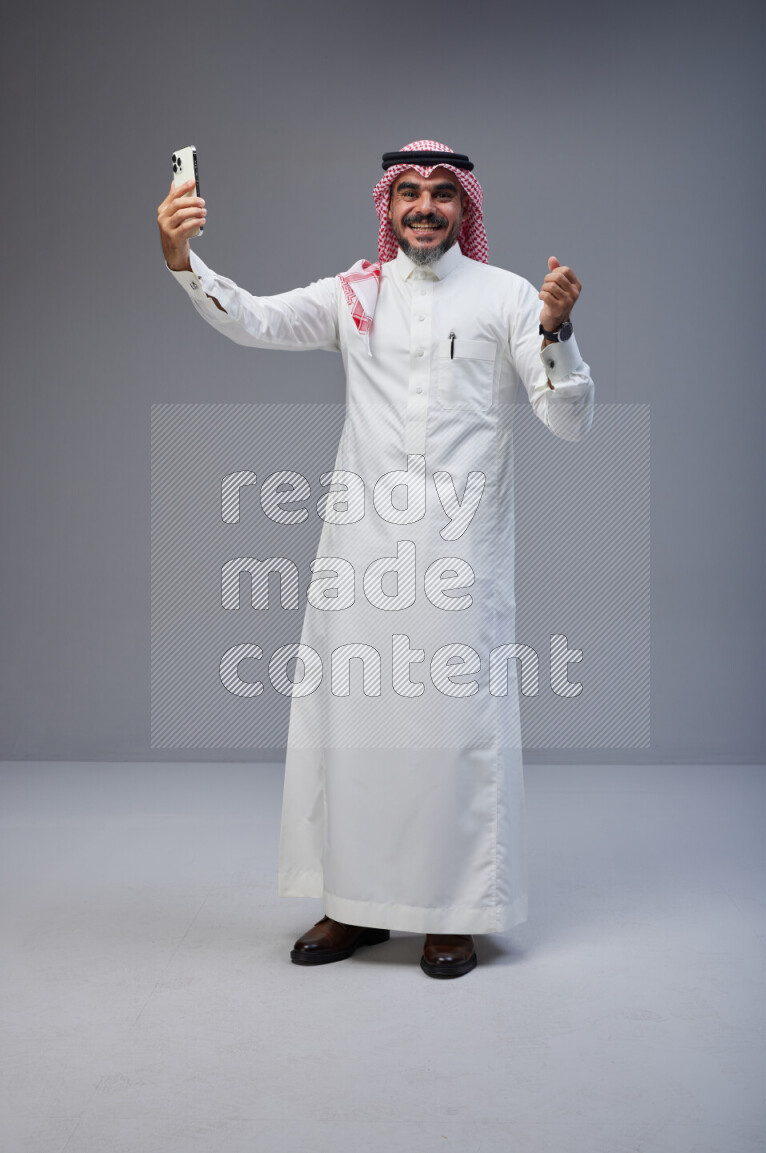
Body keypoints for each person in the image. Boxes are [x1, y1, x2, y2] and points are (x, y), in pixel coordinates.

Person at [157, 139, 594, 979]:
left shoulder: (507, 297)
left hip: (462, 552)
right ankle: (351, 907)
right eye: (410, 194)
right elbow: (254, 317)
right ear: (388, 208)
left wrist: (556, 330)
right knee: (353, 730)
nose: (426, 207)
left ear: (466, 210)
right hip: (361, 551)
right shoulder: (354, 293)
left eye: (442, 194)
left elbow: (567, 419)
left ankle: (453, 915)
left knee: (453, 732)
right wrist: (183, 260)